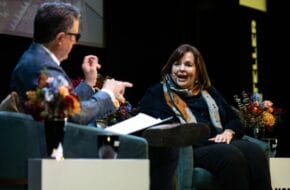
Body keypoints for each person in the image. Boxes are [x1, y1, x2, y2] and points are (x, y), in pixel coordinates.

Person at [136, 44, 272, 190]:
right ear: (170, 67)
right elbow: (145, 123)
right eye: (177, 64)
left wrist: (228, 132)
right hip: (192, 147)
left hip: (219, 141)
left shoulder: (208, 92)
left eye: (188, 65)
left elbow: (234, 118)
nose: (181, 69)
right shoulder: (156, 93)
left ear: (198, 71)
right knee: (231, 156)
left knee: (255, 152)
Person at [9, 2, 132, 125]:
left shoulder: (34, 58)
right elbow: (73, 116)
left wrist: (89, 82)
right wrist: (107, 93)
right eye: (75, 36)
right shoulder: (43, 68)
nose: (75, 42)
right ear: (61, 38)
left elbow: (63, 106)